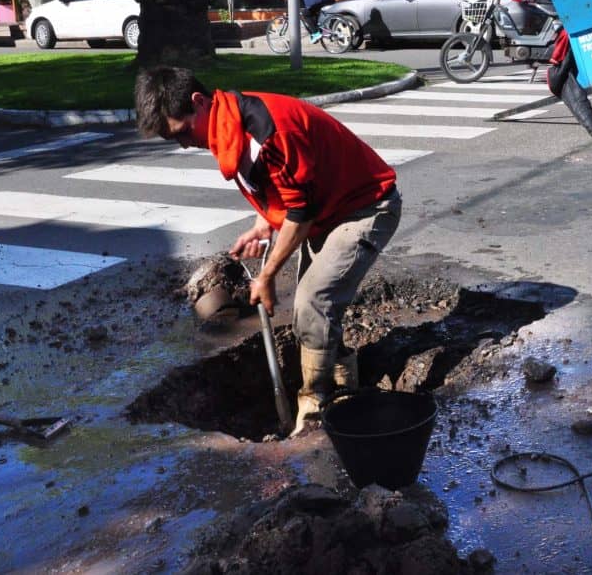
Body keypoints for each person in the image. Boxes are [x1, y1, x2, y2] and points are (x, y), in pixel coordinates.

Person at [135, 67, 402, 435]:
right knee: (313, 310)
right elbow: (285, 191)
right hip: (328, 210)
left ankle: (314, 410)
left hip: (366, 207)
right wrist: (264, 224)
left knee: (313, 299)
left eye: (181, 132)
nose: (183, 144)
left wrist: (267, 275)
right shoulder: (226, 125)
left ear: (199, 102)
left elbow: (300, 212)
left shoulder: (264, 131)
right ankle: (345, 385)